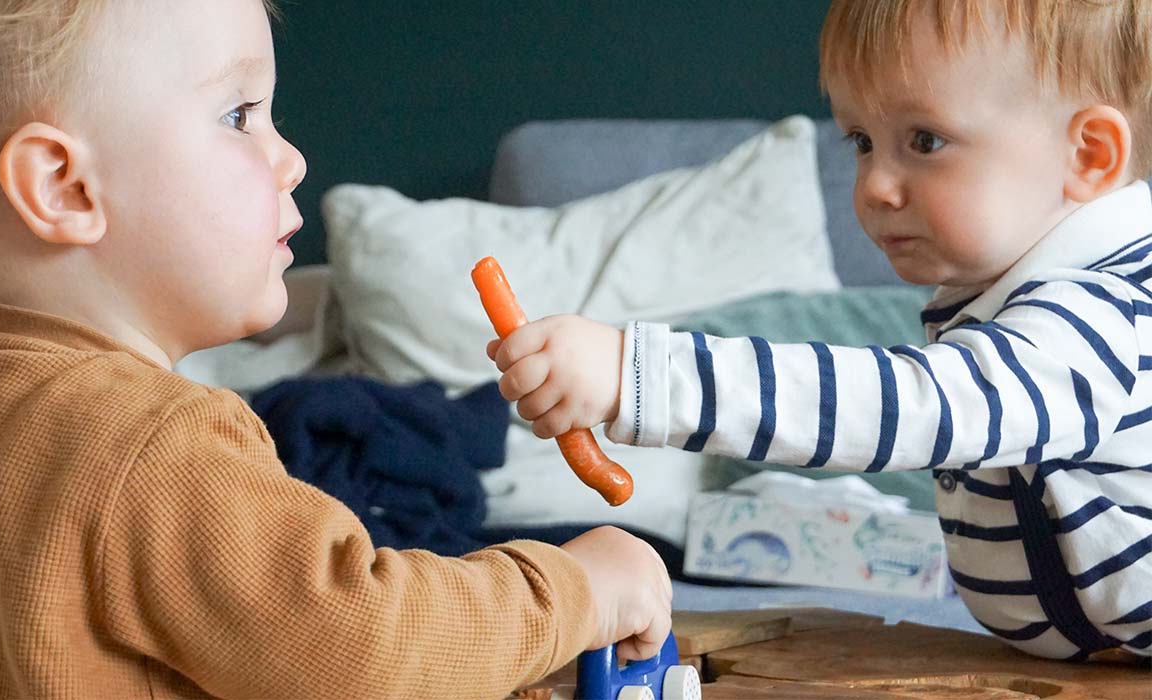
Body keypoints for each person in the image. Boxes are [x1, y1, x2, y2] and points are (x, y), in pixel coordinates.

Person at [0, 1, 672, 697]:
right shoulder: (160, 442)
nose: (290, 159)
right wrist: (578, 590)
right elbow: (367, 650)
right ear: (65, 187)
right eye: (240, 116)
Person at [488, 0, 1152, 661]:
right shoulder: (1013, 297)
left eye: (925, 141)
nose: (874, 187)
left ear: (1088, 155)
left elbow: (921, 406)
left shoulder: (1100, 314)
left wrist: (640, 375)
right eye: (862, 142)